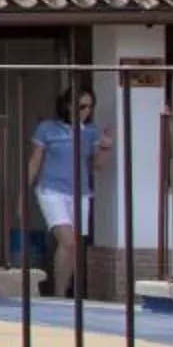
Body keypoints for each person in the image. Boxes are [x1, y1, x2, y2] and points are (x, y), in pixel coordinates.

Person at [24, 87, 112, 299]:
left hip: (80, 193)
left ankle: (61, 292)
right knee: (68, 242)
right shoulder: (47, 128)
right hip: (51, 190)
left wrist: (106, 147)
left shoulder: (90, 131)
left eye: (90, 107)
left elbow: (99, 166)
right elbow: (34, 162)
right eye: (82, 106)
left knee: (73, 247)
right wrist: (22, 193)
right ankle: (59, 294)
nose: (86, 111)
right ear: (68, 105)